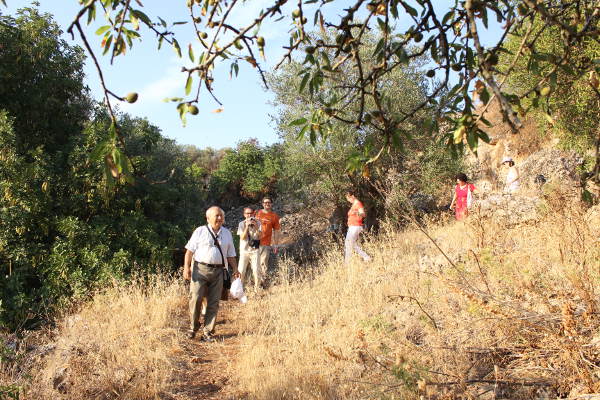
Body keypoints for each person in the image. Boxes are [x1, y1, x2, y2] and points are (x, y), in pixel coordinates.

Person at [183, 206, 239, 342]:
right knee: (196, 298)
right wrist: (186, 268)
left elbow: (230, 254)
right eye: (216, 216)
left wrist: (235, 269)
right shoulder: (200, 231)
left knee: (213, 302)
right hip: (199, 270)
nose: (219, 218)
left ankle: (208, 331)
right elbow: (189, 251)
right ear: (208, 218)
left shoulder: (227, 233)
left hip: (219, 271)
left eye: (221, 216)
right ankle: (193, 327)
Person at [255, 196, 281, 282]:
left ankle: (262, 282)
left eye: (269, 202)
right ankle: (255, 281)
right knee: (255, 263)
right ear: (262, 204)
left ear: (271, 204)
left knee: (263, 264)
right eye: (265, 202)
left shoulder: (274, 216)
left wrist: (276, 245)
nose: (267, 204)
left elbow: (276, 231)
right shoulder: (257, 213)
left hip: (266, 243)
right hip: (255, 242)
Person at [237, 207, 262, 291]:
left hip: (255, 250)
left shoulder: (258, 223)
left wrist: (255, 227)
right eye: (247, 213)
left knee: (256, 270)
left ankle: (257, 288)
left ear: (253, 213)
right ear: (244, 214)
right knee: (241, 270)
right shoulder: (241, 224)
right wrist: (247, 227)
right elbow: (242, 237)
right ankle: (240, 289)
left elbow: (260, 236)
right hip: (244, 251)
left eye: (251, 213)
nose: (249, 215)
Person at [344, 190, 372, 264]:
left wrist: (356, 212)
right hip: (352, 227)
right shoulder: (354, 204)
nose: (348, 200)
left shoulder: (358, 204)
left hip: (355, 226)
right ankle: (366, 257)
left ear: (352, 196)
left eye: (348, 199)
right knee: (352, 244)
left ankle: (347, 263)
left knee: (348, 243)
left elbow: (363, 214)